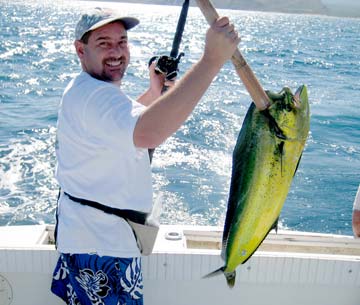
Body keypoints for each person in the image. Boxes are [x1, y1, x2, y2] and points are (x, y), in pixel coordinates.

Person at [51, 6, 240, 305]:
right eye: (104, 43)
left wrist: (154, 93)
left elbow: (120, 125)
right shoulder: (95, 96)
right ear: (80, 49)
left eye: (122, 42)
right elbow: (148, 133)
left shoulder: (89, 89)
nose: (116, 51)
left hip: (90, 239)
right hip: (102, 247)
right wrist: (212, 60)